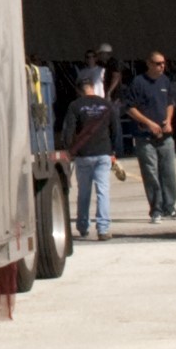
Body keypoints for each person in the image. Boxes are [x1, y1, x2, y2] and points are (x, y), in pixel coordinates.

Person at [56, 65, 119, 243]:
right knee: (102, 191)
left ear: (78, 90)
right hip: (103, 152)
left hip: (83, 154)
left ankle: (83, 226)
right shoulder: (106, 105)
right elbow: (115, 129)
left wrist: (69, 149)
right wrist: (113, 151)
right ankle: (103, 229)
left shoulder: (75, 105)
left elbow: (68, 130)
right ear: (92, 87)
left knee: (84, 192)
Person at [118, 51, 176, 221]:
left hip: (165, 135)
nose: (162, 66)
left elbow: (170, 103)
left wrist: (168, 121)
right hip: (145, 136)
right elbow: (129, 108)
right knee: (151, 173)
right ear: (149, 64)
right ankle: (156, 209)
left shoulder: (165, 81)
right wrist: (148, 123)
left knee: (168, 172)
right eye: (158, 63)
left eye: (163, 63)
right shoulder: (138, 82)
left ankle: (170, 207)